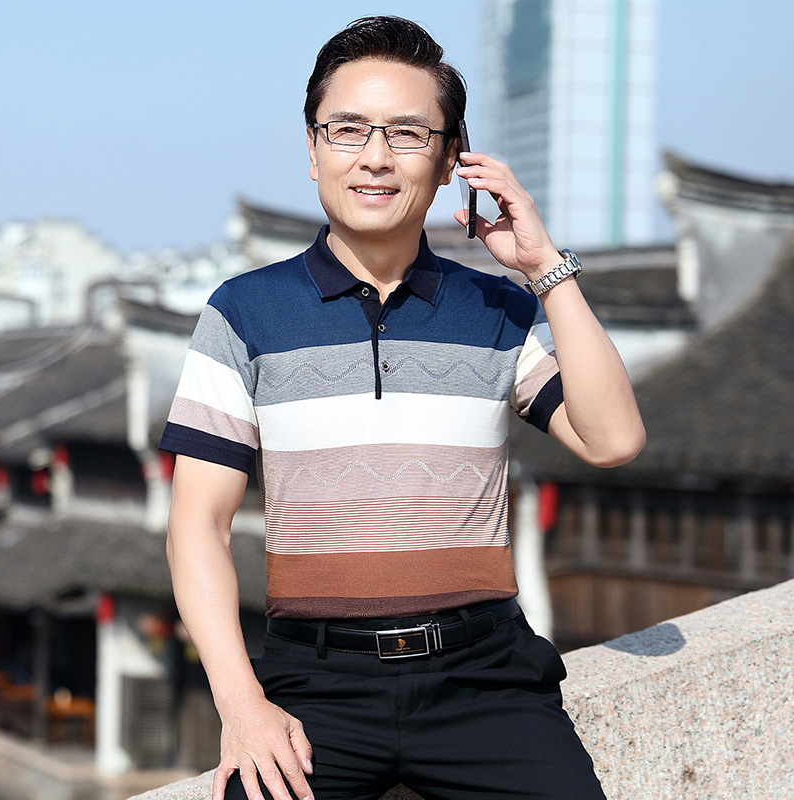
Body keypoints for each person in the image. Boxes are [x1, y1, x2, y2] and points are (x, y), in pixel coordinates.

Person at [159, 16, 645, 800]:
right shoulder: (243, 313)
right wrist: (241, 705)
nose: (375, 156)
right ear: (312, 149)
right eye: (348, 129)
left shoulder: (496, 309)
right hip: (314, 685)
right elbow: (197, 526)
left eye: (409, 133)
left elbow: (613, 438)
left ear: (453, 161)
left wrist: (545, 267)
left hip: (486, 680)